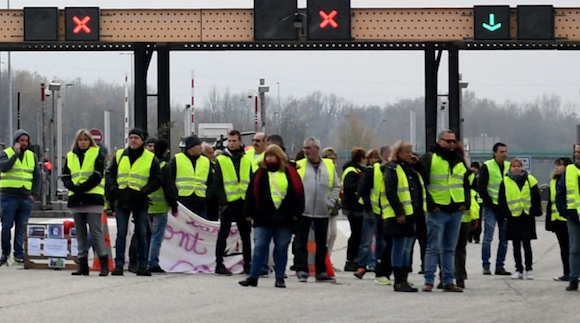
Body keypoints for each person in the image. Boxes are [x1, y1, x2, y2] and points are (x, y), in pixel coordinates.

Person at [239, 145, 305, 288]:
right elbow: (251, 194)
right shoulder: (259, 173)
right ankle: (253, 276)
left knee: (281, 248)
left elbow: (299, 194)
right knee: (260, 247)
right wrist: (248, 213)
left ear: (279, 157)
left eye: (272, 156)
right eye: (267, 156)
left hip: (285, 219)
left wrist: (295, 214)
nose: (269, 159)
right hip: (263, 218)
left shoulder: (290, 173)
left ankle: (280, 277)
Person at [105, 128, 162, 276]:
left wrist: (144, 191)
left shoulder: (150, 158)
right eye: (131, 137)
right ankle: (119, 265)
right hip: (122, 199)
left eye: (136, 137)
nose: (133, 140)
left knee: (142, 233)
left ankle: (142, 265)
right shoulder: (119, 155)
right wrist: (114, 189)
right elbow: (110, 173)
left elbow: (157, 179)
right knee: (121, 233)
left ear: (142, 140)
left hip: (140, 200)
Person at [421, 130, 470, 292]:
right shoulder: (430, 158)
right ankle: (429, 280)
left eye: (453, 141)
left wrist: (466, 203)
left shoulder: (459, 160)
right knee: (433, 247)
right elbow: (423, 183)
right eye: (448, 141)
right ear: (439, 141)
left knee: (450, 248)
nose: (451, 144)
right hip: (438, 209)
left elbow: (465, 183)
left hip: (456, 209)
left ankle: (448, 280)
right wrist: (431, 205)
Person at [61, 129, 108, 276]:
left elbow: (98, 174)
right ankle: (83, 265)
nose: (83, 142)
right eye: (80, 140)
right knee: (80, 233)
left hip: (93, 198)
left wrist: (83, 187)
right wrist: (74, 187)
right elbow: (66, 175)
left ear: (90, 141)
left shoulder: (97, 154)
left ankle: (103, 264)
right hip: (76, 199)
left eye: (85, 140)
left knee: (96, 232)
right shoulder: (70, 156)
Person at [295, 137, 340, 282]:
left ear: (317, 149)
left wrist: (330, 202)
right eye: (304, 148)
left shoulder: (329, 165)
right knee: (301, 241)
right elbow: (294, 186)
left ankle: (321, 271)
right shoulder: (299, 165)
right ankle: (301, 269)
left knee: (322, 243)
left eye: (309, 148)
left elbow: (336, 186)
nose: (306, 151)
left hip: (322, 210)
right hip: (304, 210)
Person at [382, 140, 425, 292]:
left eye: (411, 151)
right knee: (399, 248)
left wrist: (417, 163)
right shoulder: (392, 168)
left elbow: (423, 177)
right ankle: (399, 280)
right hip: (398, 215)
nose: (410, 154)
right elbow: (391, 191)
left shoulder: (409, 169)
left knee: (407, 248)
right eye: (407, 152)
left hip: (411, 214)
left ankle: (404, 278)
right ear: (398, 153)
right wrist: (399, 212)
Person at [214, 130, 253, 275]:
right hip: (229, 204)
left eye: (234, 141)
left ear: (240, 141)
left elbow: (250, 181)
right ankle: (219, 264)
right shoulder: (221, 160)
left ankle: (247, 264)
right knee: (223, 234)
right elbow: (217, 184)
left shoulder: (246, 159)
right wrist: (223, 204)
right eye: (229, 141)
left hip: (243, 202)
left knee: (245, 236)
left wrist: (250, 204)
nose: (231, 143)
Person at [0, 129, 41, 265]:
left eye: (26, 141)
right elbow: (4, 168)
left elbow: (37, 176)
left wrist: (34, 194)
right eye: (21, 140)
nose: (24, 143)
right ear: (16, 141)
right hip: (9, 196)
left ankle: (19, 254)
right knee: (6, 226)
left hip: (25, 197)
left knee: (21, 227)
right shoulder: (6, 153)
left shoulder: (32, 156)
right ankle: (5, 254)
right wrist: (15, 155)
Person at [499, 158, 542, 280]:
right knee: (515, 245)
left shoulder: (530, 179)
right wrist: (506, 213)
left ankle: (529, 269)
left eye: (518, 166)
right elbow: (502, 199)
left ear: (522, 168)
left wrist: (535, 210)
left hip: (527, 215)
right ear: (510, 168)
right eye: (514, 166)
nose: (516, 168)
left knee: (527, 245)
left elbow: (536, 196)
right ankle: (519, 269)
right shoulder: (505, 181)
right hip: (513, 217)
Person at [479, 142, 512, 276]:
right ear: (495, 153)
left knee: (504, 238)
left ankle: (500, 266)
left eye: (505, 151)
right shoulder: (487, 166)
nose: (504, 154)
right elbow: (481, 187)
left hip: (505, 207)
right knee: (488, 237)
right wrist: (490, 203)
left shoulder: (510, 166)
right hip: (491, 207)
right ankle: (486, 265)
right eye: (501, 151)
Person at [354, 149, 385, 279]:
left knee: (381, 241)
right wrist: (368, 209)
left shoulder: (389, 171)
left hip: (384, 211)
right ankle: (361, 266)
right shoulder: (372, 171)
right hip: (372, 210)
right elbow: (363, 191)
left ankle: (379, 267)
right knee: (367, 241)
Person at [452, 142, 479, 289]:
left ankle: (447, 276)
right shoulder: (468, 173)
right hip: (464, 215)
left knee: (447, 248)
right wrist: (475, 215)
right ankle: (459, 277)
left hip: (452, 214)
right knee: (460, 248)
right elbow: (473, 196)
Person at [166, 135, 213, 218]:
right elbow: (169, 180)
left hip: (201, 202)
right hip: (183, 201)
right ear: (191, 147)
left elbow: (211, 181)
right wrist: (174, 196)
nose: (200, 148)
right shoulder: (177, 159)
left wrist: (208, 197)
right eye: (198, 146)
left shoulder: (205, 161)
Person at [147, 139, 174, 273]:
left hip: (147, 204)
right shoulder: (164, 165)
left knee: (144, 235)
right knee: (157, 236)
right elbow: (168, 187)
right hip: (160, 205)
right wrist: (173, 204)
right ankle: (152, 262)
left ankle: (141, 261)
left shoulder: (149, 163)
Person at [546, 157, 572, 282]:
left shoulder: (570, 179)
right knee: (564, 248)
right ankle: (567, 272)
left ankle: (573, 272)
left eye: (560, 165)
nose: (557, 167)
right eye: (556, 165)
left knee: (572, 248)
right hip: (557, 219)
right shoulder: (554, 180)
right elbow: (552, 202)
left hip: (568, 218)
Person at [342, 147, 367, 272]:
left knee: (358, 234)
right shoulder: (352, 171)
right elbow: (348, 187)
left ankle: (355, 258)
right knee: (356, 233)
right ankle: (351, 260)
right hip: (353, 207)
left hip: (355, 206)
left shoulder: (356, 170)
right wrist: (361, 185)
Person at [559, 144, 580, 291]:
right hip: (573, 216)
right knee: (574, 249)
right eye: (576, 152)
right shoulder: (569, 170)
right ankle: (574, 278)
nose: (577, 154)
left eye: (579, 152)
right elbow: (561, 192)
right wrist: (565, 212)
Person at [322, 147, 340, 255]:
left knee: (333, 234)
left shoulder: (334, 170)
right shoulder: (323, 170)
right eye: (330, 158)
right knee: (326, 234)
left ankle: (328, 257)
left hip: (333, 206)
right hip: (323, 205)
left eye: (334, 158)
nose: (332, 161)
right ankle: (324, 259)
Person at [468, 162, 483, 244]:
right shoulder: (469, 176)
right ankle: (469, 235)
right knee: (469, 218)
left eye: (475, 168)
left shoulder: (480, 177)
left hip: (478, 201)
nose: (473, 169)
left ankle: (477, 237)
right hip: (470, 200)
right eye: (472, 167)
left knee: (478, 219)